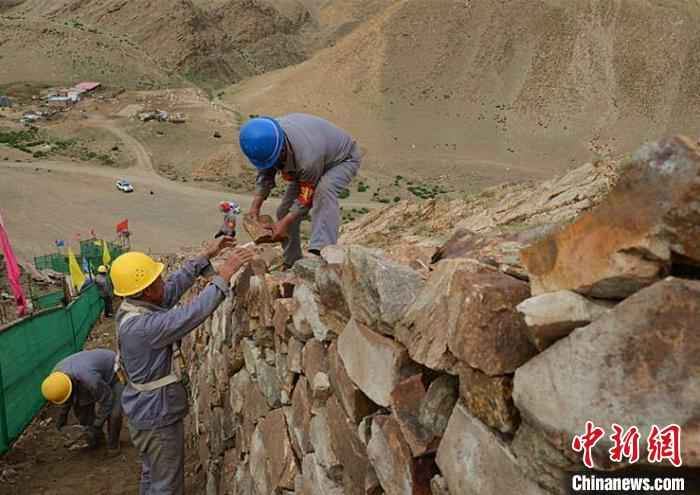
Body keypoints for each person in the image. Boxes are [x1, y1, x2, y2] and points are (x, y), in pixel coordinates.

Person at [110, 237, 254, 495]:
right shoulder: (143, 328)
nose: (163, 283)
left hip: (143, 413)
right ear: (145, 291)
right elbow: (190, 315)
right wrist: (224, 274)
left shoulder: (134, 306)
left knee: (152, 473)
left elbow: (172, 288)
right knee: (167, 486)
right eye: (157, 281)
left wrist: (204, 256)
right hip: (157, 417)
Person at [239, 113, 361, 268]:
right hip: (311, 160)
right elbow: (266, 172)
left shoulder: (307, 157)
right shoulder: (268, 139)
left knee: (324, 192)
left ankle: (323, 255)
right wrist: (255, 207)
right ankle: (292, 262)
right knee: (283, 211)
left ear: (282, 149)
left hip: (342, 159)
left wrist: (284, 223)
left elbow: (306, 197)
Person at [41, 349, 123, 450]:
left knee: (115, 414)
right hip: (88, 371)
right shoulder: (56, 377)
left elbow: (108, 399)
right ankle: (96, 440)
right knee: (82, 408)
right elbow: (66, 398)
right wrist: (62, 418)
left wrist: (96, 425)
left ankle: (113, 446)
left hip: (114, 371)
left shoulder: (90, 379)